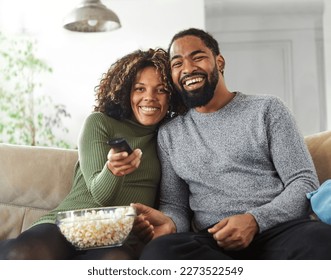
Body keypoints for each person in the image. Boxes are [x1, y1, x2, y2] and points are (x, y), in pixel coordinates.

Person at [133, 28, 331, 260]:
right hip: (212, 240)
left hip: (277, 230)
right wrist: (170, 223)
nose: (187, 69)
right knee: (158, 252)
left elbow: (303, 181)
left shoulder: (267, 109)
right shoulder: (169, 134)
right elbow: (175, 205)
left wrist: (255, 220)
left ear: (219, 62)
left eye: (197, 57)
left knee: (322, 241)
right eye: (177, 63)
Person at [0, 48, 184, 260]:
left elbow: (175, 203)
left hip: (118, 237)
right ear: (126, 91)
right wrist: (113, 171)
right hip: (69, 225)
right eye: (139, 89)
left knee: (115, 264)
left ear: (172, 96)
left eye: (161, 90)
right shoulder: (100, 123)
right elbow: (101, 196)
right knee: (23, 254)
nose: (149, 98)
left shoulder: (170, 135)